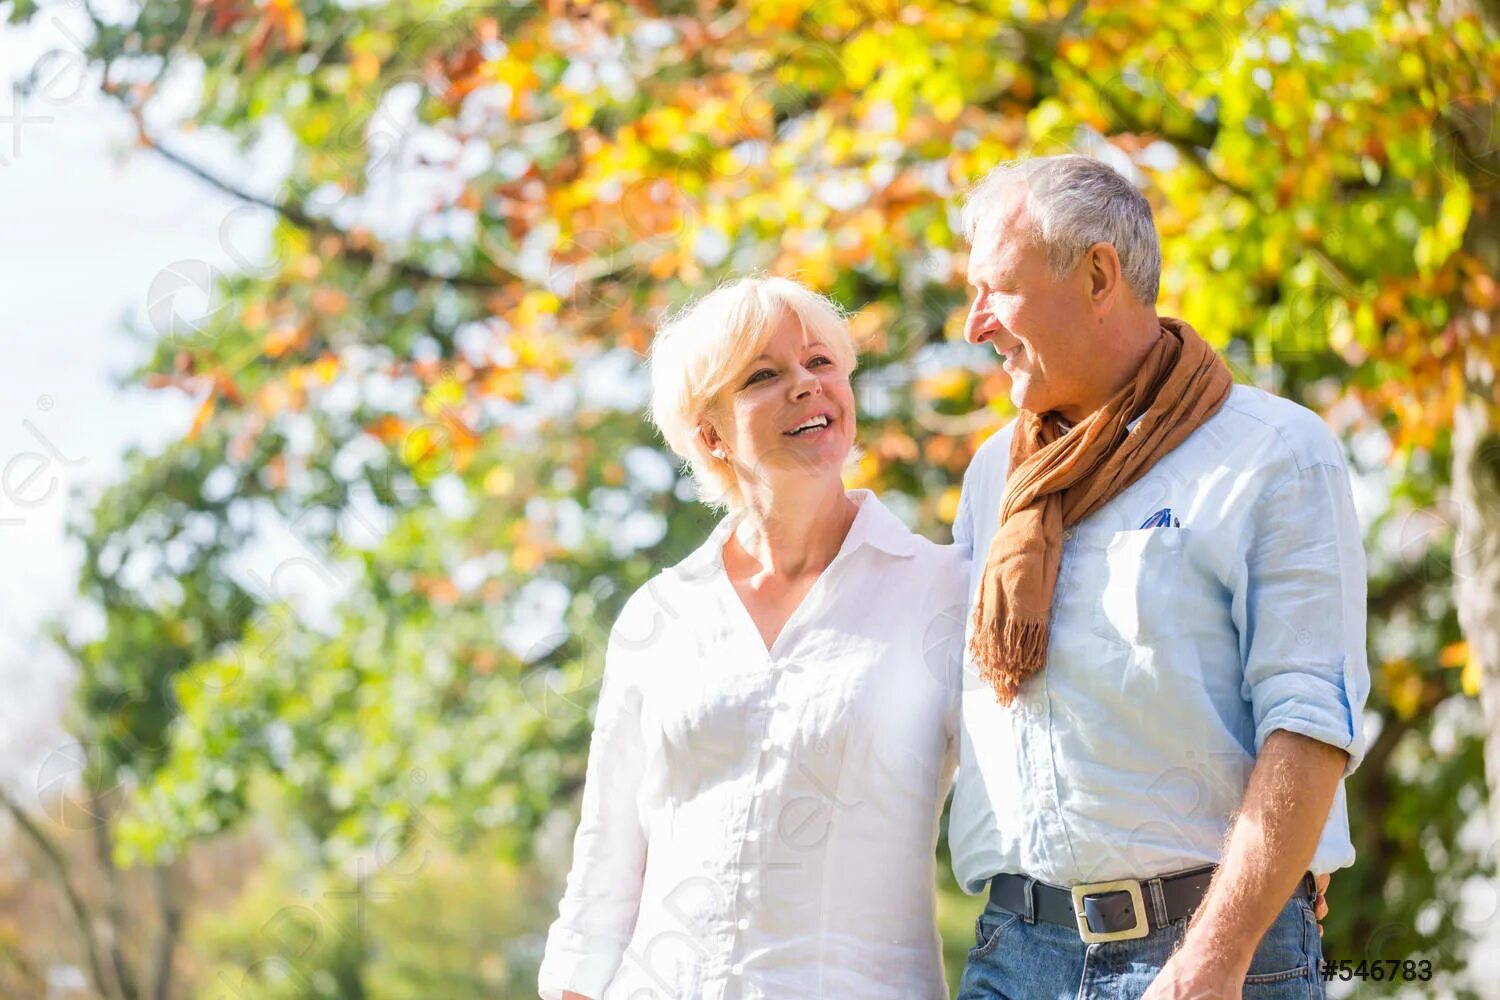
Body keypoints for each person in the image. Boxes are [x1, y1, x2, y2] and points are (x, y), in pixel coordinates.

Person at [948, 154, 1366, 999]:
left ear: (1099, 274)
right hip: (1014, 951)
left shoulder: (1276, 453)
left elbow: (1310, 724)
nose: (974, 325)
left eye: (996, 289)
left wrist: (1216, 956)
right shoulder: (997, 473)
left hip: (1212, 955)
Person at [536, 275, 967, 999]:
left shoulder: (944, 590)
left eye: (821, 363)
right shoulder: (659, 614)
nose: (805, 385)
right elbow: (605, 867)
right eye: (764, 376)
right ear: (710, 435)